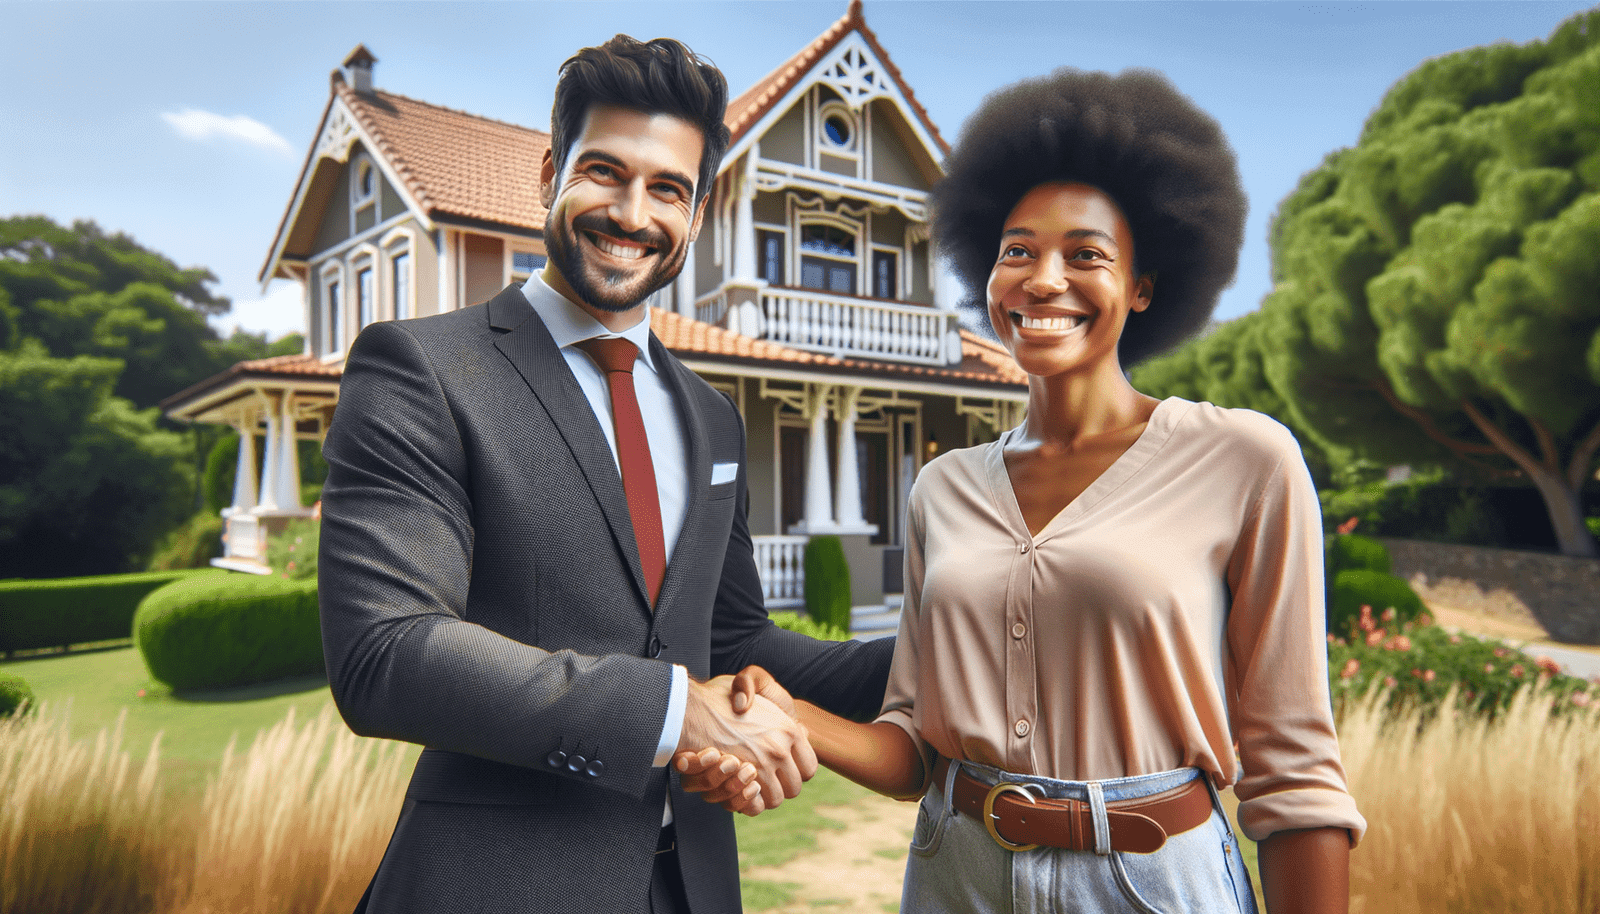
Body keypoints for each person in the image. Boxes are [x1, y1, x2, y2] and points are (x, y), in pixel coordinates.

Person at [686, 68, 1365, 913]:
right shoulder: (944, 489)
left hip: (1152, 882)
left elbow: (1295, 772)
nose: (1043, 280)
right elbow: (914, 747)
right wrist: (787, 715)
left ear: (1143, 286)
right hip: (954, 873)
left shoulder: (1244, 460)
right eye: (1018, 252)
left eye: (1087, 254)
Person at [317, 34, 894, 914]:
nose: (632, 212)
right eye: (604, 172)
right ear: (550, 173)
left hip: (693, 883)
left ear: (699, 214)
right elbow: (387, 651)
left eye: (668, 188)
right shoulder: (422, 370)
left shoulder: (712, 417)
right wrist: (671, 712)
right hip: (496, 885)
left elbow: (732, 645)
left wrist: (958, 648)